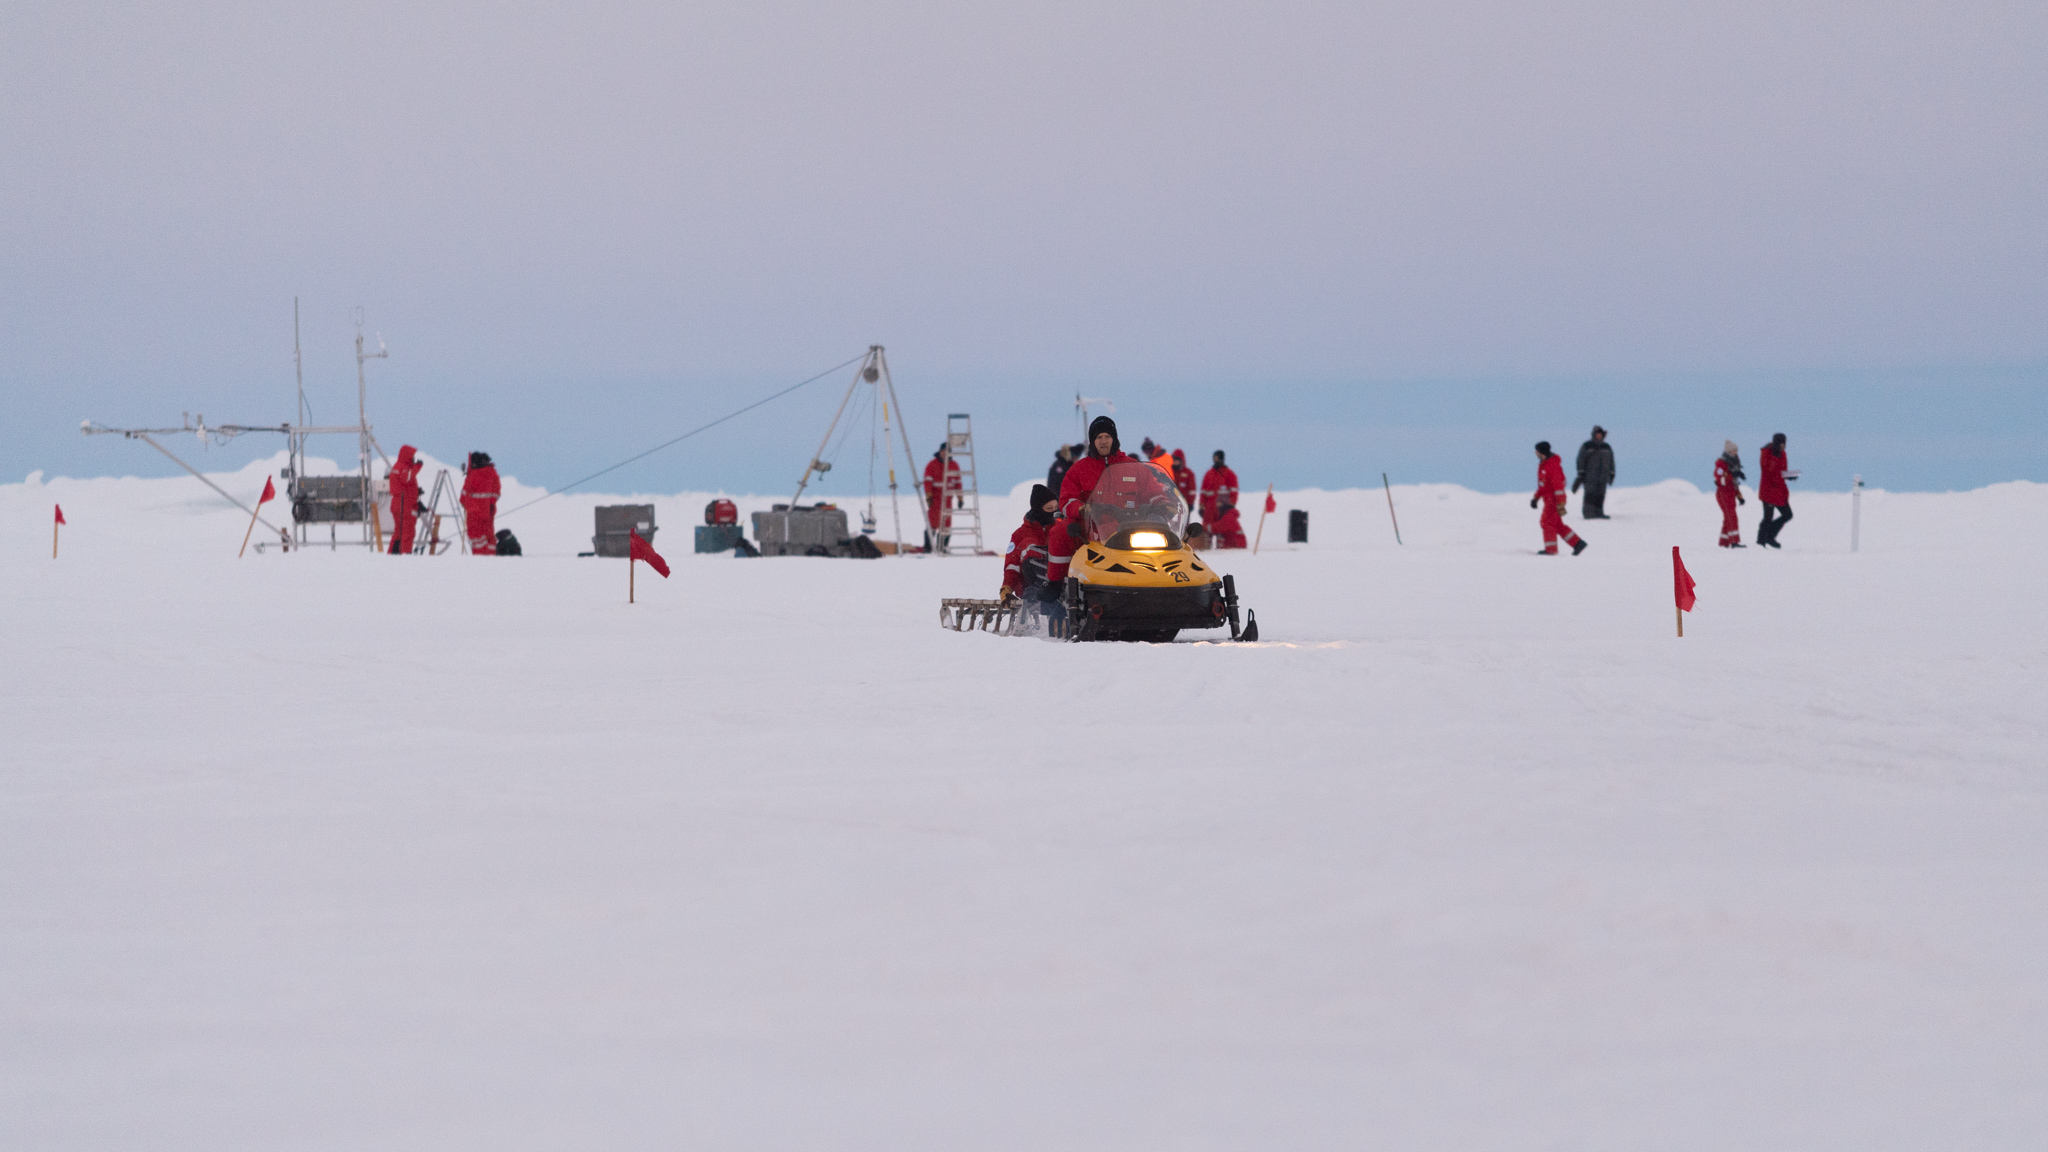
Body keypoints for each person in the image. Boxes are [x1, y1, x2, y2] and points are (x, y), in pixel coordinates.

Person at [1045, 416, 1134, 586]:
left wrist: (1163, 502)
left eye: (1107, 437)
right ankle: (1055, 584)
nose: (1103, 441)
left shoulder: (1132, 466)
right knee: (1060, 532)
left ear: (1114, 439)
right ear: (1093, 442)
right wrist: (1081, 509)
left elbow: (1154, 490)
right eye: (1098, 437)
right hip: (1090, 528)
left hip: (1127, 527)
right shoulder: (1079, 469)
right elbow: (1066, 499)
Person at [1002, 484, 1058, 602]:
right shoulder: (1020, 534)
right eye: (1049, 508)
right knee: (1031, 545)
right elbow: (1012, 565)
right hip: (1028, 587)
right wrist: (1007, 588)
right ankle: (1036, 588)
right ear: (1038, 509)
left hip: (1058, 586)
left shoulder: (1060, 529)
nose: (1054, 512)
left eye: (1056, 508)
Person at [1532, 441, 1587, 556]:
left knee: (1546, 522)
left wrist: (1561, 502)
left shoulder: (1552, 466)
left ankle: (1551, 550)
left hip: (1554, 500)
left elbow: (1558, 486)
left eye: (1536, 450)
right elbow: (1543, 486)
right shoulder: (1544, 465)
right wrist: (1536, 498)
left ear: (1541, 452)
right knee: (1556, 524)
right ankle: (1577, 543)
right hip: (1548, 499)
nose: (1535, 452)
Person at [1756, 432, 1798, 548]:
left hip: (1779, 491)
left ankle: (1769, 536)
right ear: (1776, 443)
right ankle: (1761, 542)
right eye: (1781, 443)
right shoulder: (1766, 453)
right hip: (1768, 490)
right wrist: (1775, 456)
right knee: (1768, 518)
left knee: (1788, 514)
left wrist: (1789, 475)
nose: (1783, 446)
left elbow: (1782, 471)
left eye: (1784, 443)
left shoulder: (1783, 454)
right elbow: (1767, 469)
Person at [1200, 450, 1245, 547]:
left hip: (1223, 508)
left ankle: (1221, 553)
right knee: (1206, 535)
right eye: (1215, 458)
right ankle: (1206, 553)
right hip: (1209, 509)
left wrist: (1231, 504)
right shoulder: (1209, 474)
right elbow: (1203, 492)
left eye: (1218, 458)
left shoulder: (1229, 474)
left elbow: (1234, 491)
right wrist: (1201, 506)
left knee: (1221, 532)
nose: (1216, 460)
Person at [385, 444, 423, 555]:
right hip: (404, 506)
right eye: (412, 455)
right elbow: (407, 478)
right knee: (407, 534)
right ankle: (405, 557)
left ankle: (393, 554)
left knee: (398, 533)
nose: (413, 458)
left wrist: (416, 491)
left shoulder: (397, 466)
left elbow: (404, 484)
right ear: (407, 455)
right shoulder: (404, 468)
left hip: (398, 504)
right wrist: (418, 466)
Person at [460, 451, 500, 555]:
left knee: (476, 539)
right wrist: (490, 504)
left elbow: (463, 497)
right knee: (489, 537)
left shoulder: (472, 476)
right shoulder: (492, 474)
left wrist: (467, 504)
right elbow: (496, 493)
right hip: (488, 511)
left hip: (474, 512)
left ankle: (479, 560)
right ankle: (491, 557)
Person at [923, 443, 960, 552]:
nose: (944, 453)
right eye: (943, 451)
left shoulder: (954, 465)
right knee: (933, 523)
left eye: (947, 451)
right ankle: (928, 547)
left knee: (946, 525)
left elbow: (958, 483)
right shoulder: (932, 464)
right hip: (935, 499)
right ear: (940, 451)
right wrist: (928, 495)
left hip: (947, 499)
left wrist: (960, 498)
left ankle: (942, 547)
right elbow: (927, 481)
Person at [1574, 426, 1615, 518]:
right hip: (1589, 476)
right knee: (1590, 494)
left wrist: (1612, 473)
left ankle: (1599, 513)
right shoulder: (1586, 446)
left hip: (1603, 476)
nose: (1599, 436)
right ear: (1593, 434)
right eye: (1597, 434)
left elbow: (1611, 461)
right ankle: (1588, 513)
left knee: (1600, 495)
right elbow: (1580, 460)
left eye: (1600, 434)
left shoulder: (1607, 447)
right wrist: (1581, 472)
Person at [1714, 440, 1747, 548]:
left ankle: (1724, 542)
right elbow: (1721, 480)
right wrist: (1732, 475)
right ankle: (1734, 541)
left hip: (1731, 493)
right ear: (1728, 451)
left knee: (1728, 517)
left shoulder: (1735, 463)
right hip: (1723, 494)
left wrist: (1740, 497)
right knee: (1731, 516)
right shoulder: (1721, 464)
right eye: (1733, 450)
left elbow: (1735, 484)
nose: (1735, 452)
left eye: (1736, 450)